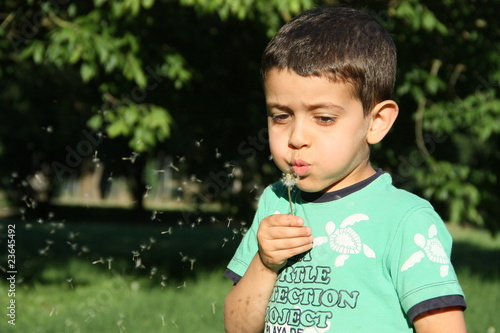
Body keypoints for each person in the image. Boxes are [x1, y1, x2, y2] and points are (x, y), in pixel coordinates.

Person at [223, 5, 467, 333]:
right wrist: (265, 264)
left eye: (323, 118)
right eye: (281, 115)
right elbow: (238, 327)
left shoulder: (405, 220)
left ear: (376, 122)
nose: (296, 137)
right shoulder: (276, 201)